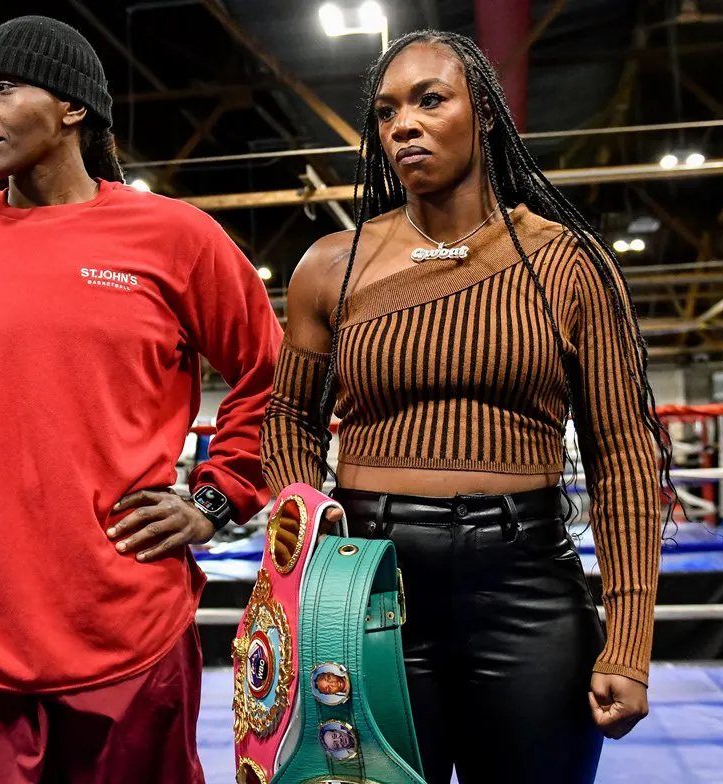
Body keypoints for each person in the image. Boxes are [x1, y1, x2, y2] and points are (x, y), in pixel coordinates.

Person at [0, 15, 281, 783]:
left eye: (3, 88)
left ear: (74, 107)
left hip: (131, 625)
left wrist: (217, 500)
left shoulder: (176, 238)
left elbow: (270, 376)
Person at [260, 30, 671, 784]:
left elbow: (625, 455)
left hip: (527, 593)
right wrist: (311, 538)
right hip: (370, 587)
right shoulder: (330, 265)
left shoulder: (568, 264)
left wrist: (631, 640)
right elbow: (289, 416)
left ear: (483, 111)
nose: (402, 126)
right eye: (386, 113)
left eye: (429, 100)